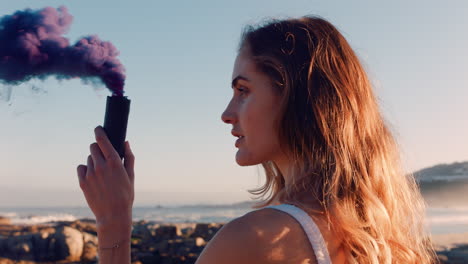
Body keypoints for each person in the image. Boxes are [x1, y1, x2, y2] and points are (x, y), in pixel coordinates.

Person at [77, 16, 436, 264]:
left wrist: (113, 222)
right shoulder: (378, 239)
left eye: (243, 90)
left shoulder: (255, 239)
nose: (227, 113)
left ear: (299, 97)